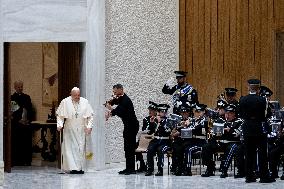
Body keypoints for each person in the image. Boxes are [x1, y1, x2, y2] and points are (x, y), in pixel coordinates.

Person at [239, 79, 275, 183]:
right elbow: (267, 114)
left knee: (249, 153)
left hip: (247, 127)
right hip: (259, 127)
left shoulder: (242, 99)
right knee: (262, 153)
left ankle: (249, 176)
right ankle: (264, 176)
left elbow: (240, 114)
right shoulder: (263, 100)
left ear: (248, 87)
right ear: (258, 89)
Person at [56, 87, 94, 174]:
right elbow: (60, 116)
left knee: (81, 148)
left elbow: (90, 116)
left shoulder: (85, 102)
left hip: (82, 129)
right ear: (71, 94)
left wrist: (89, 126)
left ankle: (81, 168)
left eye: (78, 95)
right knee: (71, 149)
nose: (77, 97)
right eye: (75, 95)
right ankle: (73, 168)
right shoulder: (65, 102)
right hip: (70, 129)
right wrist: (59, 125)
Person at [105, 84, 139, 175]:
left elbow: (119, 112)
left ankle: (131, 169)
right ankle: (128, 168)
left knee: (130, 147)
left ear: (121, 89)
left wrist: (110, 110)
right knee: (126, 147)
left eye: (115, 92)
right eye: (113, 92)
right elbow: (113, 101)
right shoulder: (121, 98)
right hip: (128, 125)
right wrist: (108, 104)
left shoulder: (125, 100)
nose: (114, 93)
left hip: (132, 126)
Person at [145, 103, 171, 176]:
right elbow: (150, 132)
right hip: (156, 140)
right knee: (150, 149)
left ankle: (160, 170)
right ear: (158, 112)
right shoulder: (155, 120)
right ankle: (150, 169)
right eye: (162, 111)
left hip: (165, 141)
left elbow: (167, 131)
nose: (164, 113)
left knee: (160, 150)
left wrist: (160, 123)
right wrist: (151, 123)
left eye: (165, 112)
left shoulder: (169, 121)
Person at [11, 80, 33, 166]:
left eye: (21, 86)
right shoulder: (12, 98)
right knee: (16, 143)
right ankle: (16, 161)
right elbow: (13, 111)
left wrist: (28, 120)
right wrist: (18, 120)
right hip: (16, 124)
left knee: (26, 143)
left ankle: (26, 161)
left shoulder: (27, 97)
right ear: (15, 87)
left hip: (26, 124)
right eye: (18, 87)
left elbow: (30, 110)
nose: (20, 88)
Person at [136, 101, 158, 172]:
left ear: (155, 111)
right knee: (135, 146)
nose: (150, 112)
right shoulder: (145, 119)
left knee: (150, 148)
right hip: (146, 138)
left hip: (155, 139)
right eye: (149, 110)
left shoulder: (158, 119)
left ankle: (149, 166)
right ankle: (142, 165)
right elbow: (144, 130)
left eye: (151, 110)